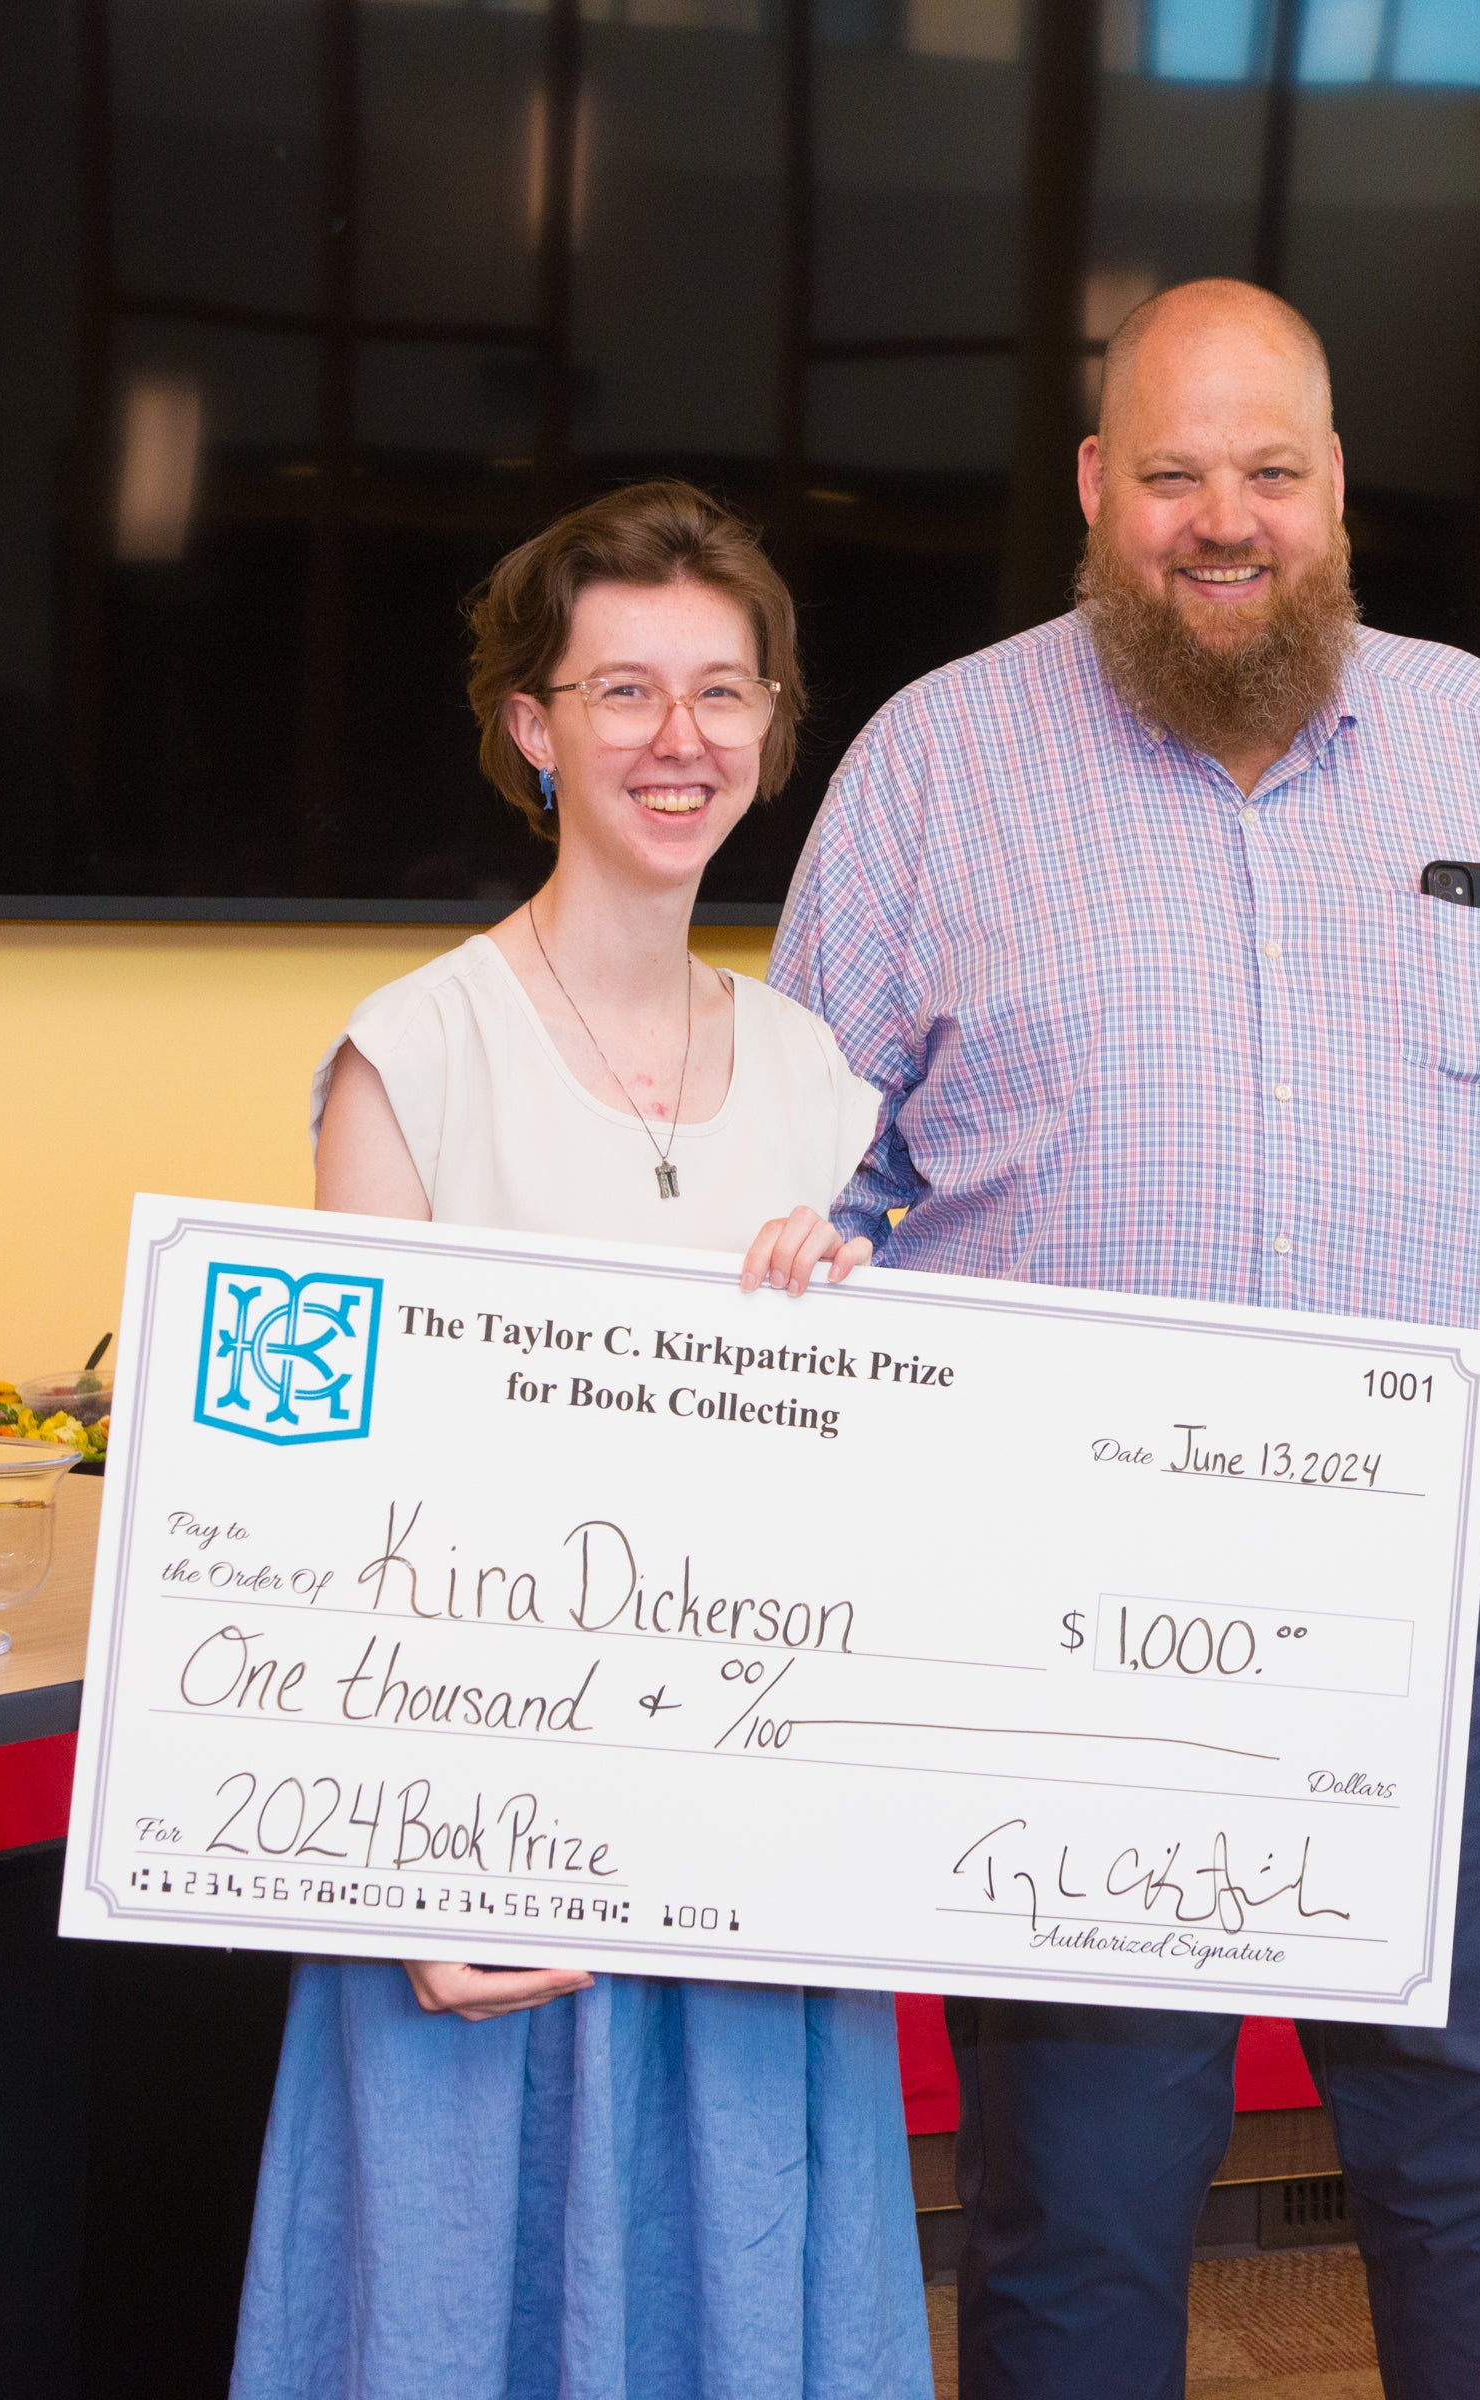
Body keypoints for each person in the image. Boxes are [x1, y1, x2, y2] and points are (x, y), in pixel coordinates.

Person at [772, 280, 1480, 2400]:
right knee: (1082, 2192)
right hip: (1068, 1595)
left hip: (1445, 1583)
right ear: (1101, 492)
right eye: (1179, 474)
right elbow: (802, 1176)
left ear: (1337, 497)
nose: (1230, 520)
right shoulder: (936, 766)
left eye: (1270, 472)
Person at [232, 481, 929, 2400]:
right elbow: (330, 1512)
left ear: (776, 730)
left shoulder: (818, 1080)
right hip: (491, 1879)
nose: (679, 739)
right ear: (533, 727)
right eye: (623, 691)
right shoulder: (415, 1054)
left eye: (723, 691)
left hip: (755, 1865)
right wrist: (411, 1878)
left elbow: (881, 1493)